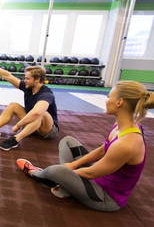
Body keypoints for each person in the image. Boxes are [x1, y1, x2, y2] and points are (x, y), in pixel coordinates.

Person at [17, 81, 154, 212]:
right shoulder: (122, 126)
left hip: (105, 197)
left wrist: (65, 174)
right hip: (98, 177)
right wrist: (73, 165)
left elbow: (91, 172)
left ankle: (35, 173)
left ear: (120, 102)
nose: (106, 100)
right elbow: (102, 150)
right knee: (68, 142)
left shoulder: (127, 143)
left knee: (55, 171)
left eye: (108, 97)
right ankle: (69, 186)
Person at [0, 52, 59, 151]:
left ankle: (15, 140)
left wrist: (18, 125)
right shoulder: (28, 86)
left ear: (37, 80)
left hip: (47, 129)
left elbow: (36, 113)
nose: (25, 80)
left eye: (27, 78)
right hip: (32, 124)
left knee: (41, 113)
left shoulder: (46, 94)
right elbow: (7, 76)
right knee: (13, 105)